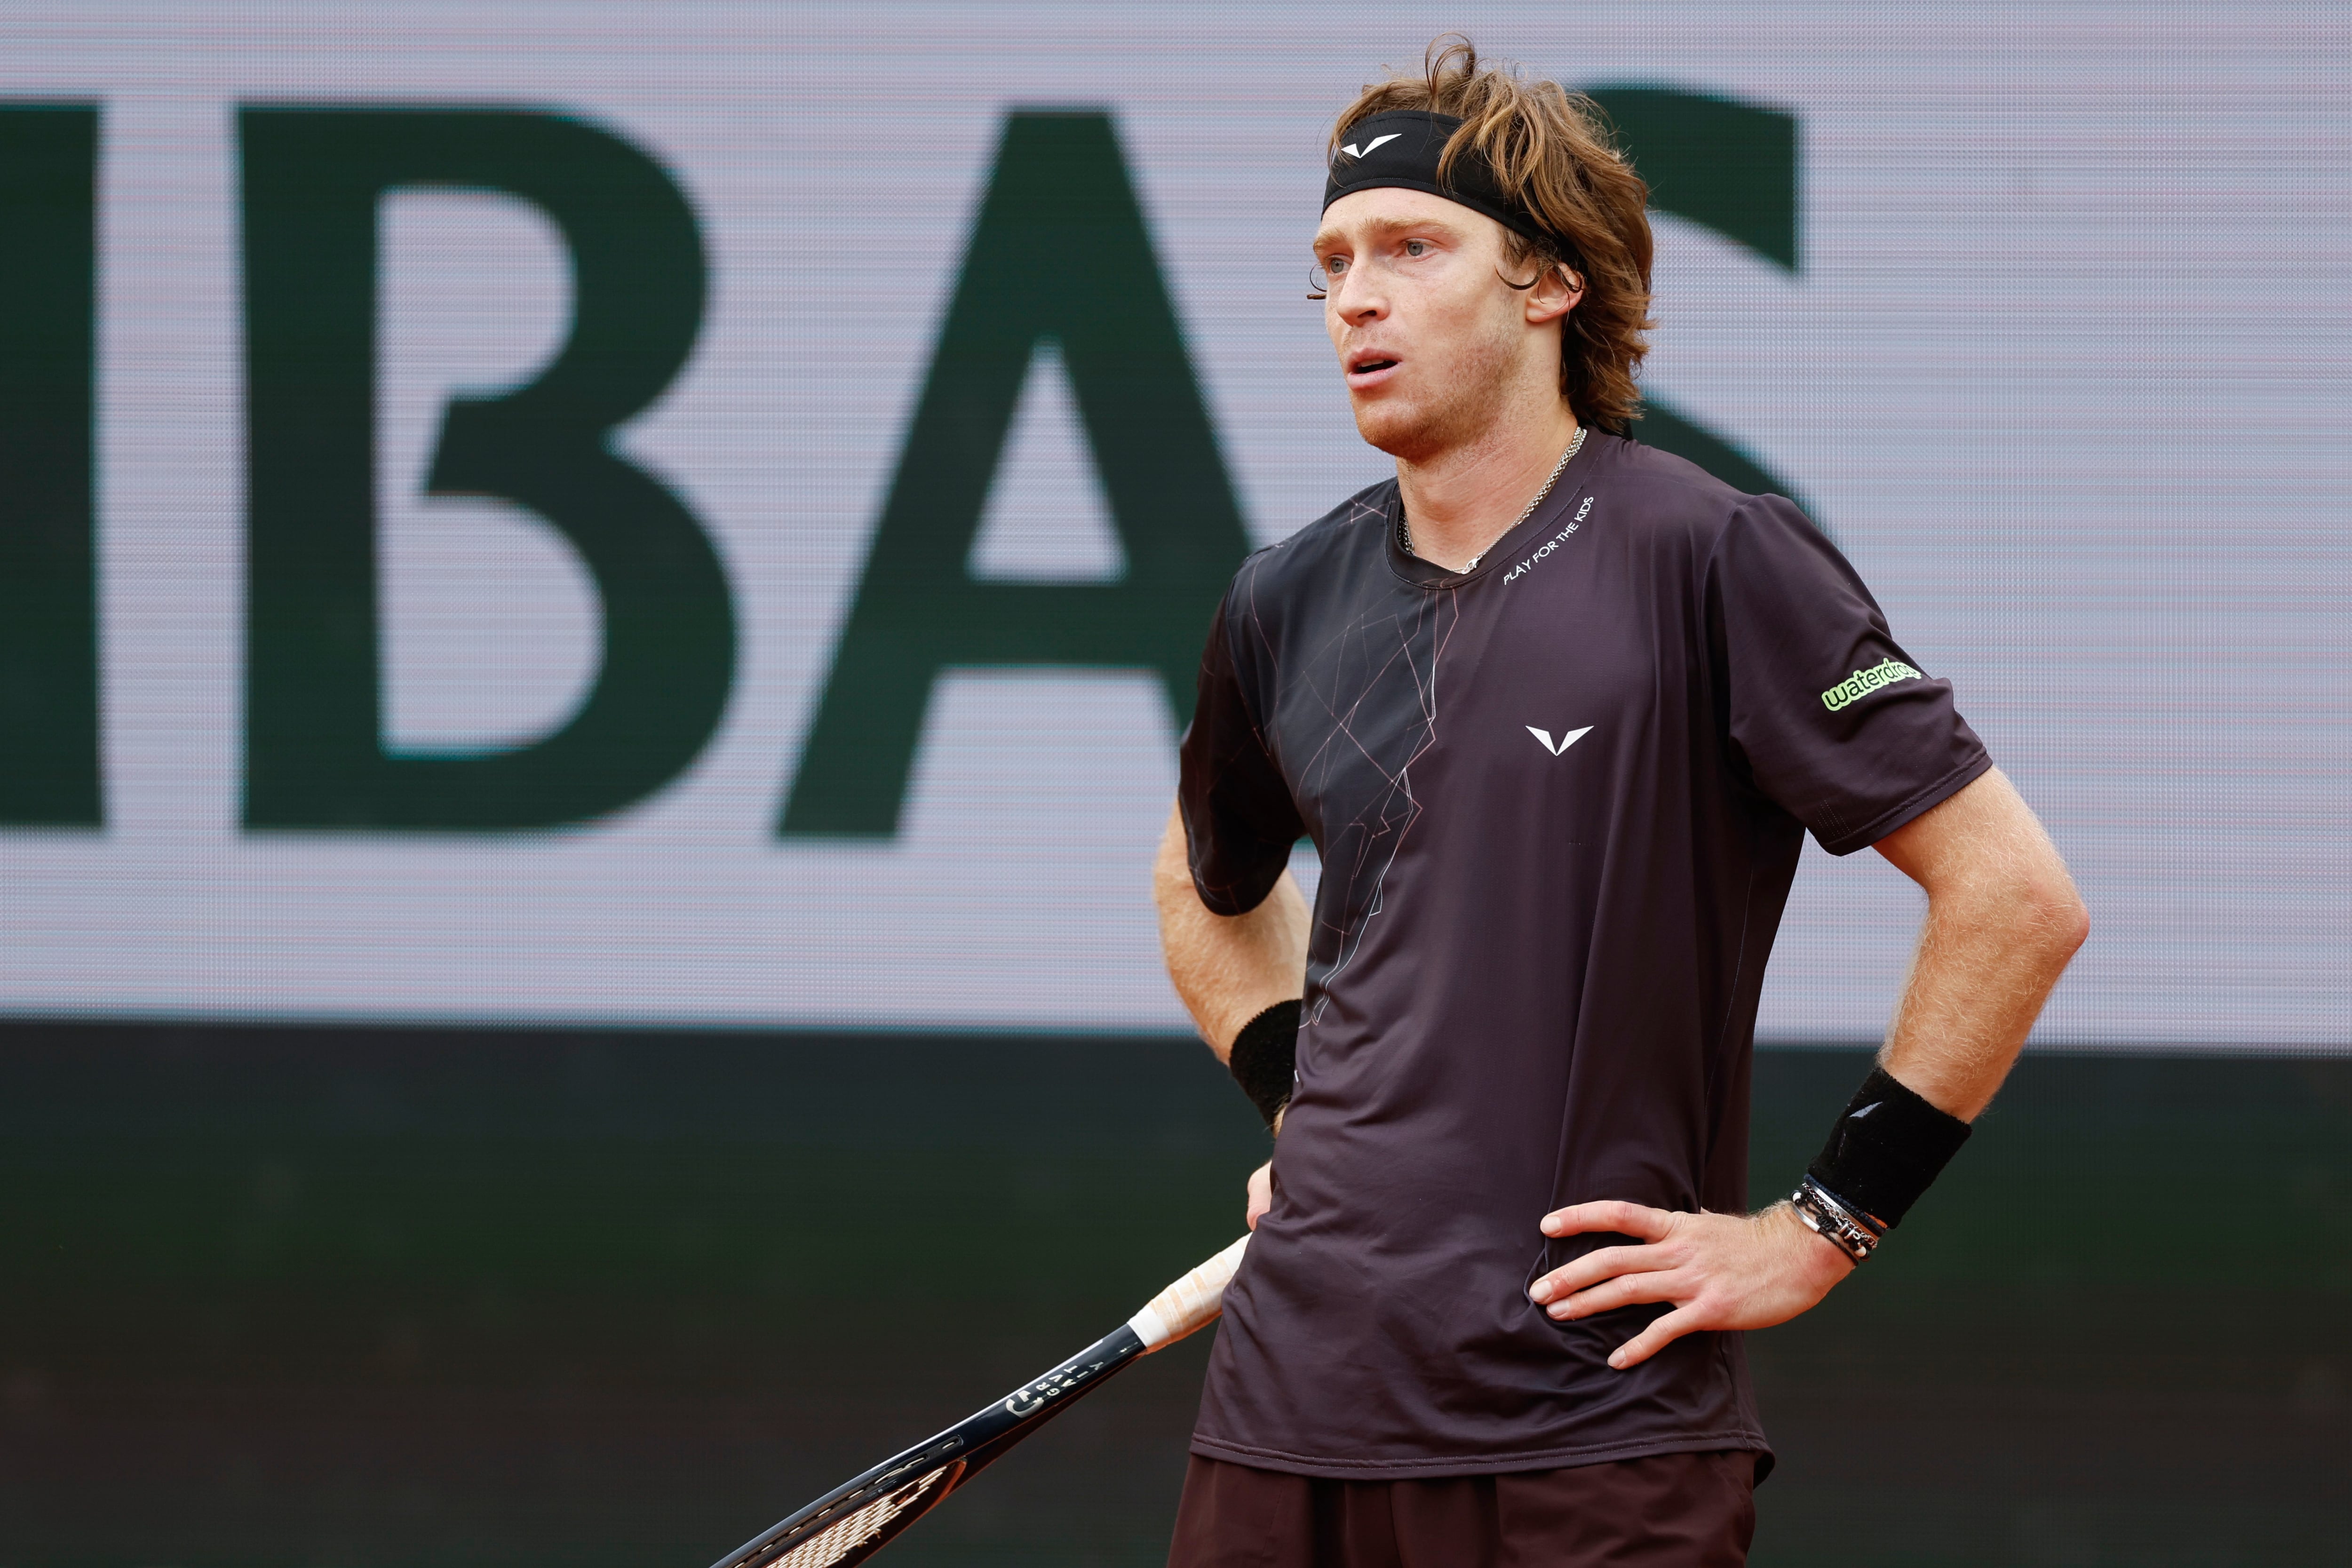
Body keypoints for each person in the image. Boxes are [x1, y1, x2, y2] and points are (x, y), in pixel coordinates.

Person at [1151, 38, 2089, 1568]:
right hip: (1284, 1415)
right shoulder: (1281, 599)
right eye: (1329, 263)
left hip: (1590, 1435)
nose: (1354, 298)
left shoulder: (1715, 557)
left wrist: (1822, 1226)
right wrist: (1308, 1105)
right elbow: (1205, 885)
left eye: (1409, 247)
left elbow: (2017, 898)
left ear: (1547, 284)